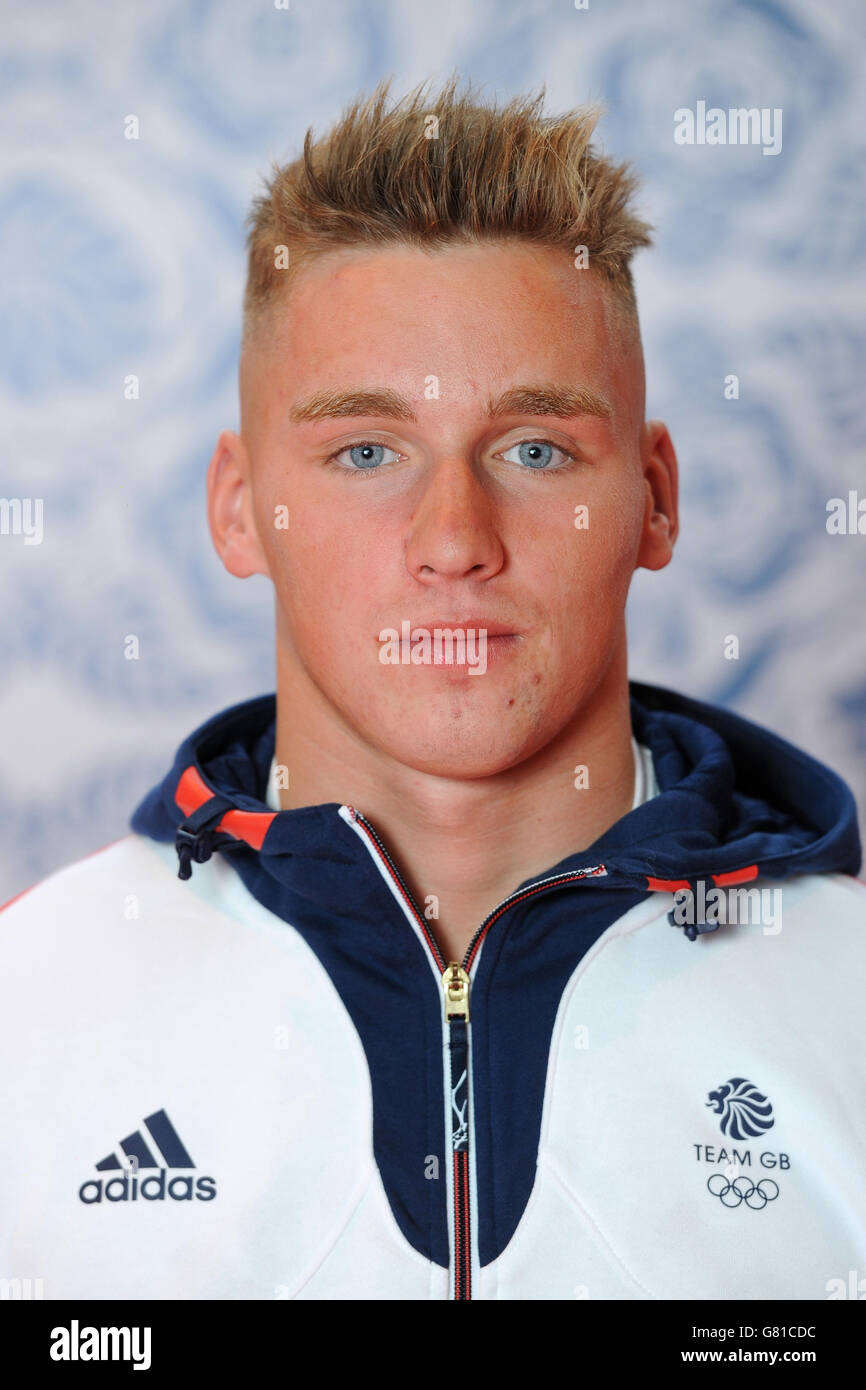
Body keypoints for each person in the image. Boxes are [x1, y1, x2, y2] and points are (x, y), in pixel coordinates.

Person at [1, 76, 863, 1302]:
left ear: (654, 498)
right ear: (239, 509)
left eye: (533, 449)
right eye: (364, 452)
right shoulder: (28, 1009)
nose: (453, 539)